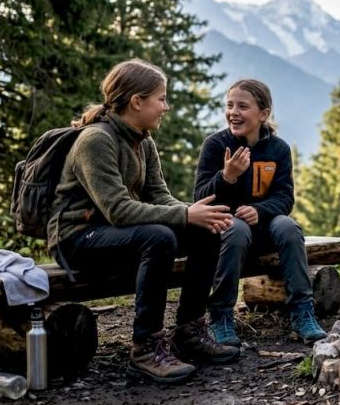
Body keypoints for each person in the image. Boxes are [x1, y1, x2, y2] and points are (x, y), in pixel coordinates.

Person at [48, 58, 240, 384]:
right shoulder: (96, 140)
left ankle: (189, 331)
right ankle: (146, 346)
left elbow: (159, 196)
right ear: (137, 102)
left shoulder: (143, 140)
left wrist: (195, 214)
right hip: (76, 238)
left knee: (205, 231)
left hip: (113, 232)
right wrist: (183, 214)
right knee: (159, 237)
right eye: (161, 98)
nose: (166, 107)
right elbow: (119, 210)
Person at [193, 79, 326, 345]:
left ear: (263, 114)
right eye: (229, 105)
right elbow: (200, 198)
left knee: (289, 227)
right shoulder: (216, 145)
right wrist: (227, 177)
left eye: (243, 106)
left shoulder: (278, 149)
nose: (233, 112)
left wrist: (260, 210)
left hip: (265, 227)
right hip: (228, 232)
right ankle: (220, 316)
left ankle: (302, 312)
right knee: (236, 227)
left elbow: (285, 197)